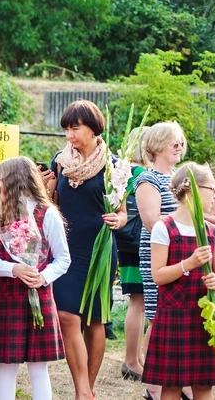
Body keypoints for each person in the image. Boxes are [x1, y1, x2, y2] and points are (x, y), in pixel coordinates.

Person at [41, 100, 126, 400]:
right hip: (66, 248)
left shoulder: (114, 165)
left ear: (93, 128)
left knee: (95, 320)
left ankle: (87, 390)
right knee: (66, 315)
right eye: (66, 129)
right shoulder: (60, 161)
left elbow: (124, 212)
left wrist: (119, 218)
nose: (70, 136)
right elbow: (52, 203)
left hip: (99, 249)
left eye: (75, 128)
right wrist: (45, 188)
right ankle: (81, 389)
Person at [0, 157, 70, 400]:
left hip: (39, 298)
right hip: (6, 298)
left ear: (14, 182)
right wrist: (14, 269)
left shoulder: (48, 214)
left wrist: (42, 277)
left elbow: (63, 259)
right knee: (6, 366)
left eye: (0, 180)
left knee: (38, 366)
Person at [142, 163, 215, 400]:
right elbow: (157, 275)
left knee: (204, 387)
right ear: (194, 190)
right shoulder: (164, 228)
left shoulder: (211, 231)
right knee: (171, 386)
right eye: (212, 188)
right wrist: (187, 264)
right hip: (174, 317)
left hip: (204, 318)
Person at [133, 122, 186, 399]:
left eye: (180, 141)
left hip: (184, 256)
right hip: (159, 254)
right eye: (172, 142)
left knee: (180, 316)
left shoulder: (180, 177)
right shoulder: (147, 180)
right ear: (155, 147)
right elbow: (152, 222)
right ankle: (153, 386)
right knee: (157, 316)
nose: (179, 146)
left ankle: (184, 384)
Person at [116, 128, 147, 382]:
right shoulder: (141, 175)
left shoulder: (122, 171)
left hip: (125, 241)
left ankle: (135, 358)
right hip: (139, 242)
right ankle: (131, 359)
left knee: (136, 301)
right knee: (139, 301)